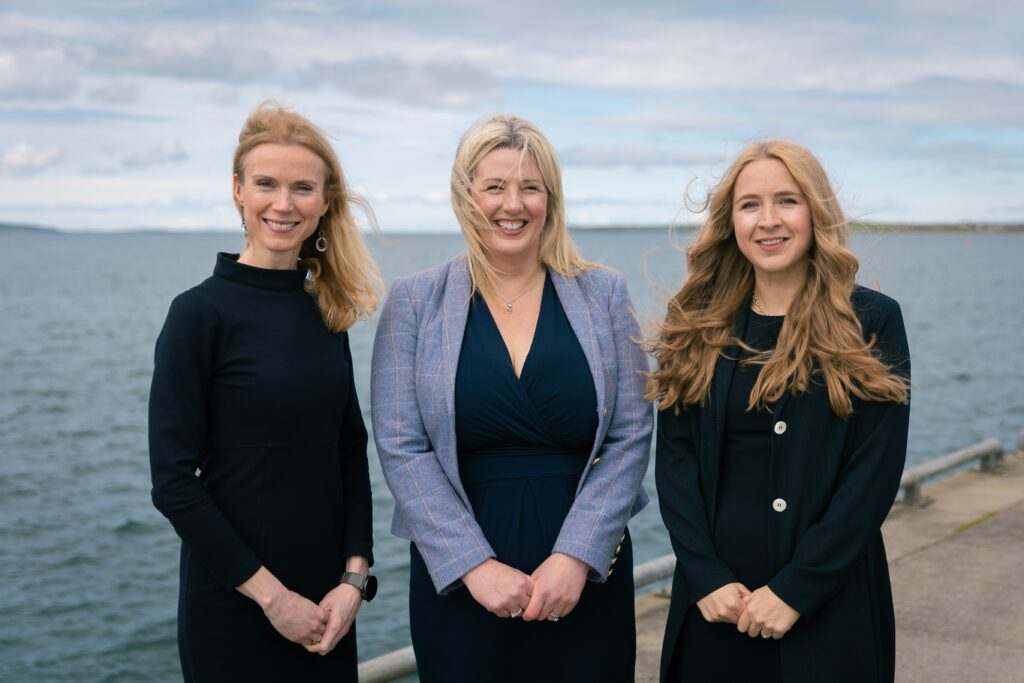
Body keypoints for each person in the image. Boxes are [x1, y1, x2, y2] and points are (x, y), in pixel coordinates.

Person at [371, 114, 652, 682]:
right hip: (460, 579)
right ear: (464, 195)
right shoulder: (414, 300)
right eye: (494, 186)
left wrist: (577, 555)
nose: (513, 204)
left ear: (550, 197)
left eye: (530, 187)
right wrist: (473, 565)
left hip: (585, 574)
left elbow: (631, 434)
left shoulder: (604, 293)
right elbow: (402, 445)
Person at [647, 139, 911, 683]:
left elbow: (874, 473)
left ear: (816, 211)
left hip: (829, 603)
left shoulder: (873, 319)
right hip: (717, 605)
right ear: (731, 221)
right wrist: (703, 575)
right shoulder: (695, 318)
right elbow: (675, 461)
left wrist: (797, 589)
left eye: (787, 201)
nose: (768, 221)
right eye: (750, 205)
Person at [148, 101, 381, 682]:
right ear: (238, 191)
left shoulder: (326, 311)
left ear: (325, 202)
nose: (284, 203)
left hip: (330, 607)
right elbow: (173, 483)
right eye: (266, 184)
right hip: (234, 602)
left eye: (303, 187)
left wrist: (354, 579)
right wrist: (274, 600)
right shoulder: (197, 314)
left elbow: (350, 448)